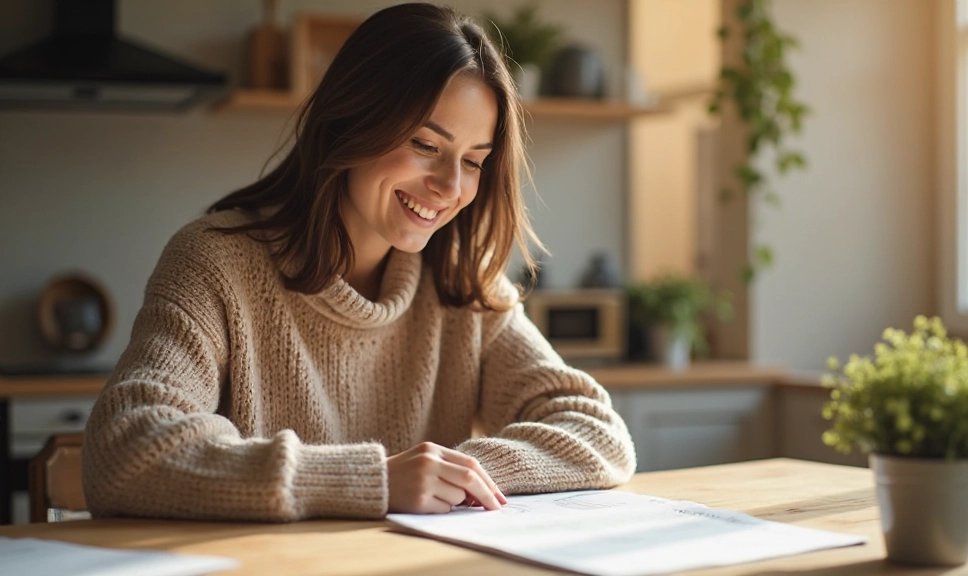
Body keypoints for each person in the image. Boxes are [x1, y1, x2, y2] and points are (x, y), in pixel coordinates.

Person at [82, 2, 635, 522]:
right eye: (424, 144)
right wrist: (371, 480)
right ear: (351, 122)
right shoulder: (214, 262)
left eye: (473, 161)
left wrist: (460, 475)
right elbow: (124, 449)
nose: (449, 186)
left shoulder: (464, 285)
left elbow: (599, 433)